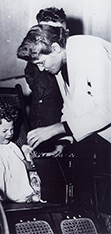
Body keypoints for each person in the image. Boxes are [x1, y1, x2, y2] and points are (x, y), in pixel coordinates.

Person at [17, 24, 111, 208]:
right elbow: (71, 107)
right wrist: (63, 142)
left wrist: (54, 129)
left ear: (55, 48)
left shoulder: (91, 51)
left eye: (41, 63)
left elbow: (107, 109)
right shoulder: (61, 63)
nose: (42, 69)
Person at [20, 7, 69, 157]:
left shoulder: (68, 62)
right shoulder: (37, 56)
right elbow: (29, 73)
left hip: (59, 126)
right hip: (37, 120)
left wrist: (63, 141)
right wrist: (38, 91)